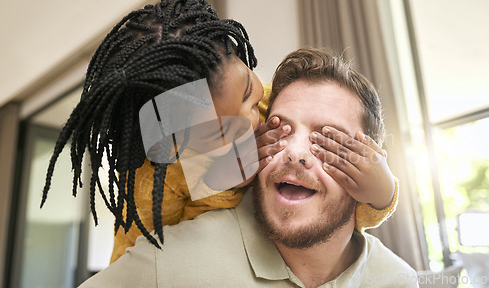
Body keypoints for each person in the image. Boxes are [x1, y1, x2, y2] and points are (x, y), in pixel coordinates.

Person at [41, 0, 397, 266]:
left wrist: (382, 191)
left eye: (247, 92)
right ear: (167, 139)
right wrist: (214, 178)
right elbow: (137, 263)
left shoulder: (276, 104)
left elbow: (331, 215)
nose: (252, 121)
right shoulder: (152, 181)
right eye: (218, 133)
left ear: (240, 56)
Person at [78, 48, 416, 287]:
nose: (295, 152)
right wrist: (219, 173)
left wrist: (385, 190)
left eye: (328, 141)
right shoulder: (162, 260)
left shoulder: (399, 280)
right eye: (281, 130)